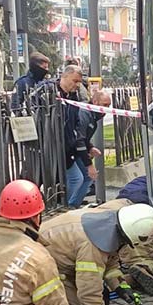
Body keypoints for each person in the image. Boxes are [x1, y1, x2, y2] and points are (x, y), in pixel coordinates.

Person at [38, 203, 153, 305]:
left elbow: (109, 258)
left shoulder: (106, 224)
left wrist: (120, 285)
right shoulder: (91, 246)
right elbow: (88, 289)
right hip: (47, 271)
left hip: (61, 260)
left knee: (101, 295)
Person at [94, 177, 153, 296]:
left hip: (117, 210)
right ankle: (141, 271)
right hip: (141, 215)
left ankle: (123, 276)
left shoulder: (145, 178)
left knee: (124, 250)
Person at [59, 66, 94, 208]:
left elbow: (75, 123)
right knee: (76, 178)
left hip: (69, 147)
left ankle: (68, 205)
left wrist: (89, 146)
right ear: (65, 76)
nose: (77, 85)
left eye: (79, 82)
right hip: (55, 146)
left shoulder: (73, 97)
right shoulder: (51, 93)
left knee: (82, 177)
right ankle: (63, 206)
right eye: (75, 81)